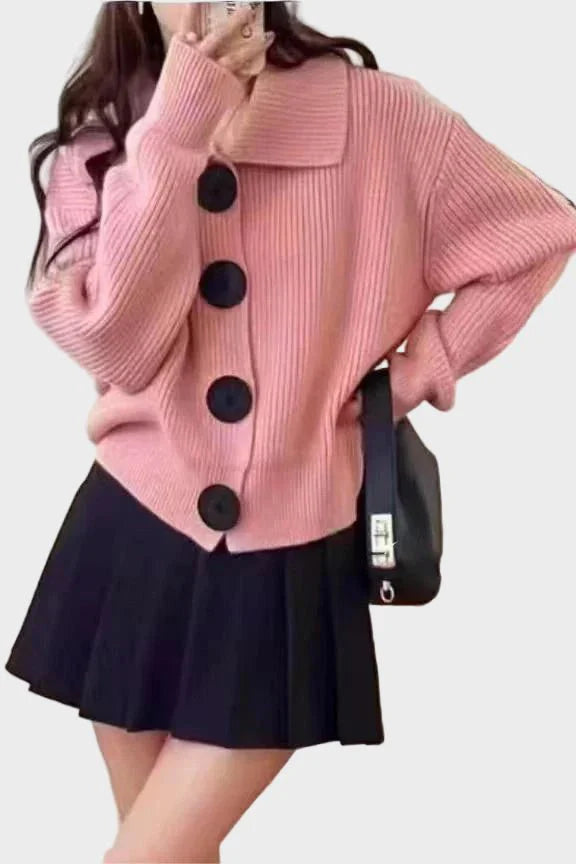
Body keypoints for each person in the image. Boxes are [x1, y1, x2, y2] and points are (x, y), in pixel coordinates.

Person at [5, 2, 576, 862]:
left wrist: (410, 376)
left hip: (290, 550)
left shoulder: (382, 119)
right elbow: (122, 347)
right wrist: (178, 125)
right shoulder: (105, 144)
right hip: (128, 540)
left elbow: (538, 233)